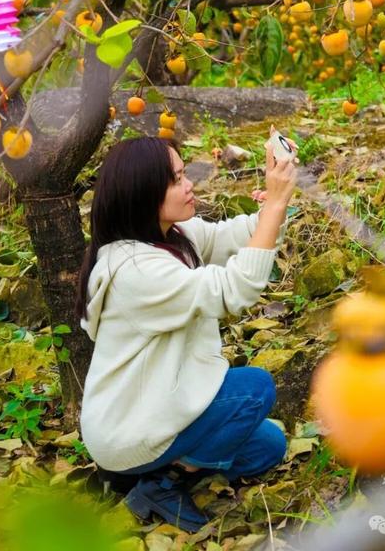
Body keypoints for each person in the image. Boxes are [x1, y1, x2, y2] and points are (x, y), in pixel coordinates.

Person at [74, 133, 297, 532]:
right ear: (145, 193)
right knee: (255, 389)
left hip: (163, 408)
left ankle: (157, 474)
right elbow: (234, 289)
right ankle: (162, 481)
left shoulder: (172, 236)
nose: (189, 183)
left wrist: (275, 204)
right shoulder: (135, 271)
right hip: (130, 428)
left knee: (269, 446)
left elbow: (234, 237)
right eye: (177, 179)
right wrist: (276, 204)